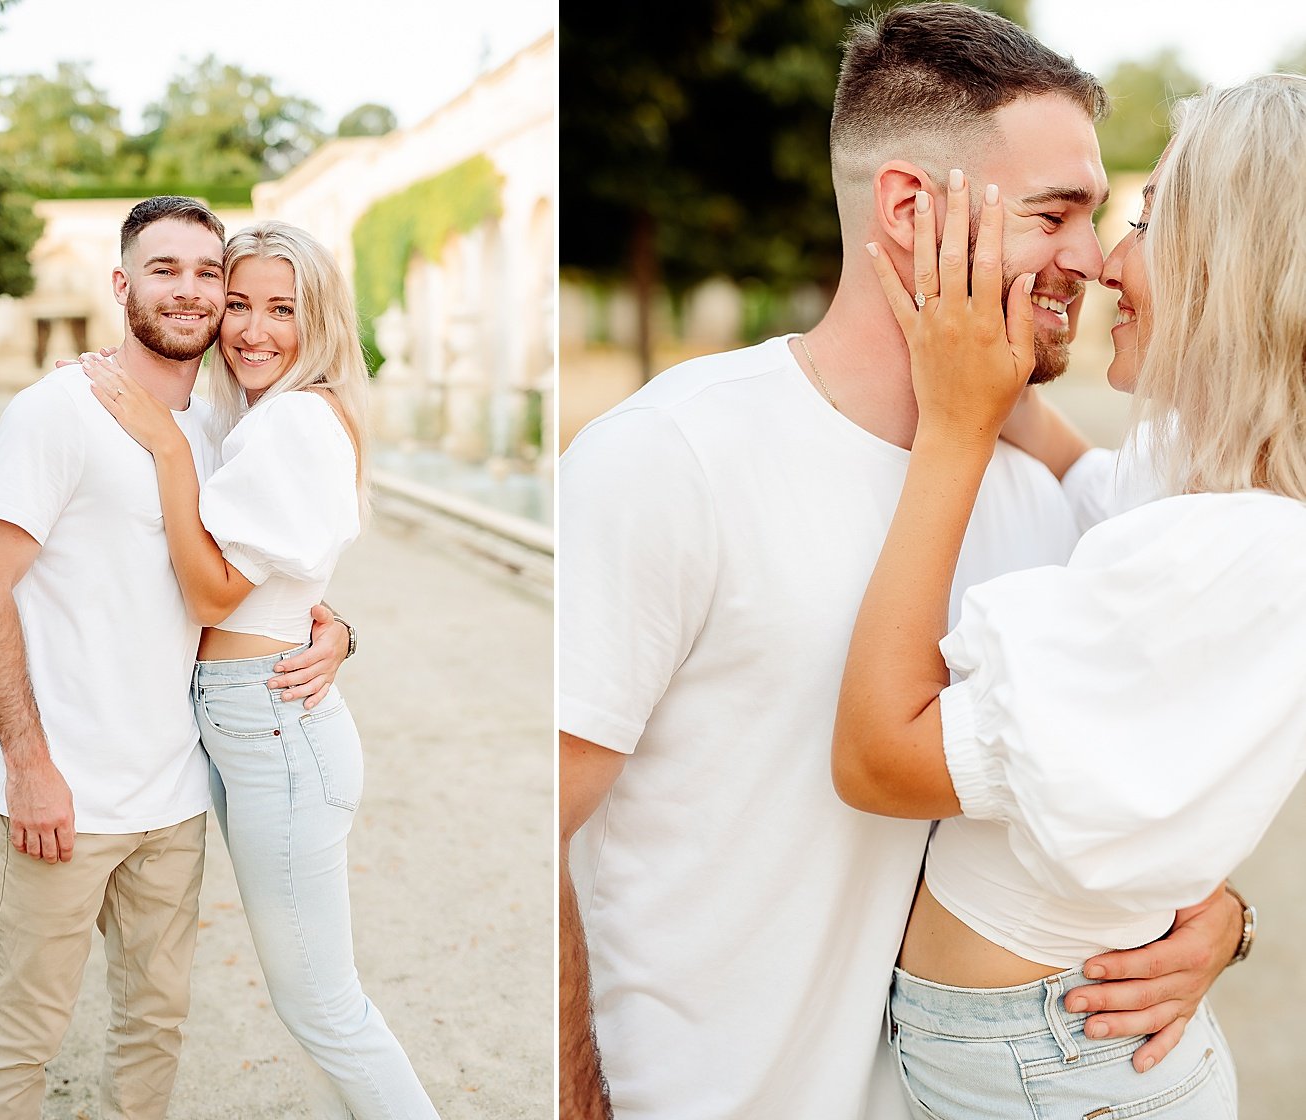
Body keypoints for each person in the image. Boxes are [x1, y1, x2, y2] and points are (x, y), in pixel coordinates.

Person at [557, 7, 1247, 1119]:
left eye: (1100, 215)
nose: (1094, 258)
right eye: (1054, 213)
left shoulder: (1056, 501)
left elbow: (1091, 779)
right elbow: (541, 820)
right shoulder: (669, 458)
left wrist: (1219, 911)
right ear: (911, 209)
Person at [834, 73, 1306, 1118]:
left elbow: (879, 754)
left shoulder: (1247, 547)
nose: (1106, 262)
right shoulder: (1213, 479)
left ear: (1237, 264)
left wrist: (954, 436)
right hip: (1045, 1058)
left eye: (1145, 219)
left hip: (1062, 1072)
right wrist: (973, 318)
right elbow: (1080, 466)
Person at [0, 196, 349, 1120]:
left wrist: (338, 632)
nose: (192, 291)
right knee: (23, 1038)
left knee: (154, 1027)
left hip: (174, 797)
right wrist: (27, 764)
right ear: (123, 285)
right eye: (165, 270)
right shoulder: (56, 413)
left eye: (209, 272)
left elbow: (262, 579)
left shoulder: (219, 431)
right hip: (64, 797)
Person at [78, 219, 440, 1120]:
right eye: (238, 304)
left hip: (273, 723)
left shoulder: (291, 426)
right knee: (318, 1000)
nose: (252, 329)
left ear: (318, 319)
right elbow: (277, 582)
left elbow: (210, 596)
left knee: (324, 1006)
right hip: (254, 718)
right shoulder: (260, 418)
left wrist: (160, 443)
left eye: (283, 308)